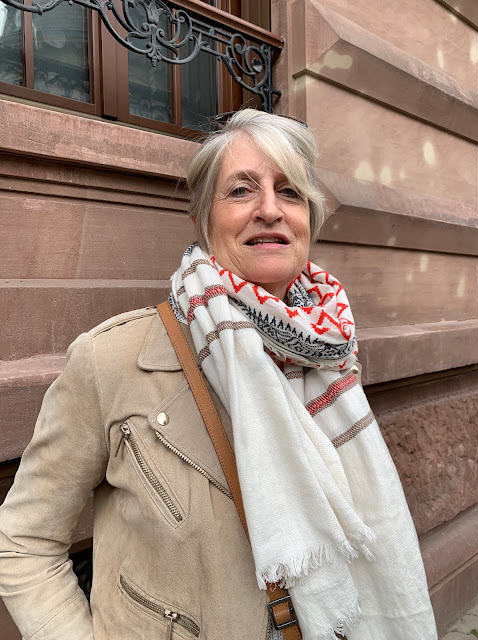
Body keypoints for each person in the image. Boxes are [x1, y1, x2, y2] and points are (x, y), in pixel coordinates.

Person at [0, 109, 437, 640]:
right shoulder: (110, 359)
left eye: (290, 192)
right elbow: (23, 542)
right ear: (204, 220)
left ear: (309, 222)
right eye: (241, 190)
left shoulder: (332, 356)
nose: (270, 210)